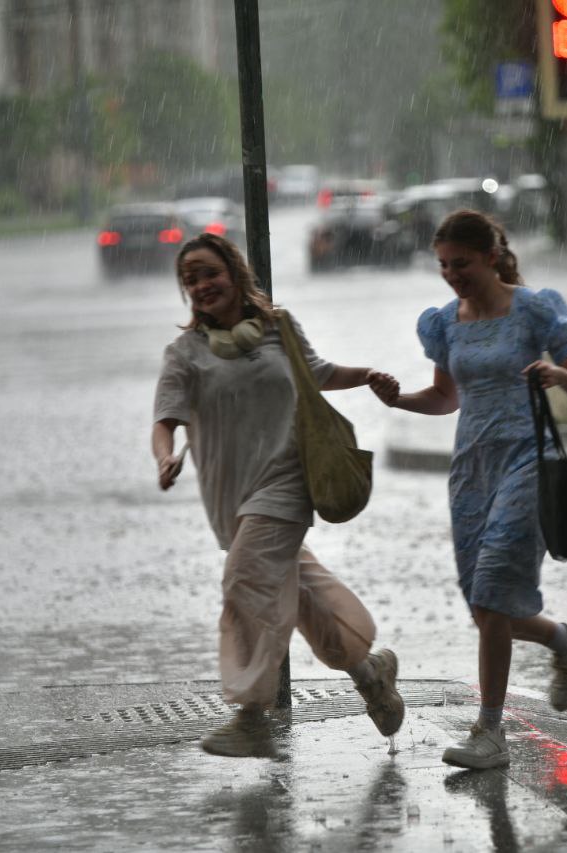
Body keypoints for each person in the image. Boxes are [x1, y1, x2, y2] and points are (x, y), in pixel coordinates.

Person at [152, 232, 404, 758]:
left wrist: (369, 377)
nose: (201, 285)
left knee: (246, 579)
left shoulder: (278, 329)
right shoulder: (184, 354)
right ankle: (370, 674)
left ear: (235, 274)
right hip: (231, 496)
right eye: (189, 279)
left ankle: (250, 714)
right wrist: (165, 456)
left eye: (208, 272)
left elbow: (317, 374)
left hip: (287, 480)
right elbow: (166, 419)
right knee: (305, 599)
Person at [368, 210, 567, 770]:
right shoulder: (444, 323)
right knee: (484, 608)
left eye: (462, 264)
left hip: (528, 459)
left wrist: (556, 374)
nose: (452, 275)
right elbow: (447, 398)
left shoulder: (534, 310)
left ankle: (489, 733)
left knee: (494, 591)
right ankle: (566, 640)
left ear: (491, 256)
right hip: (472, 469)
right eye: (444, 265)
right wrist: (396, 399)